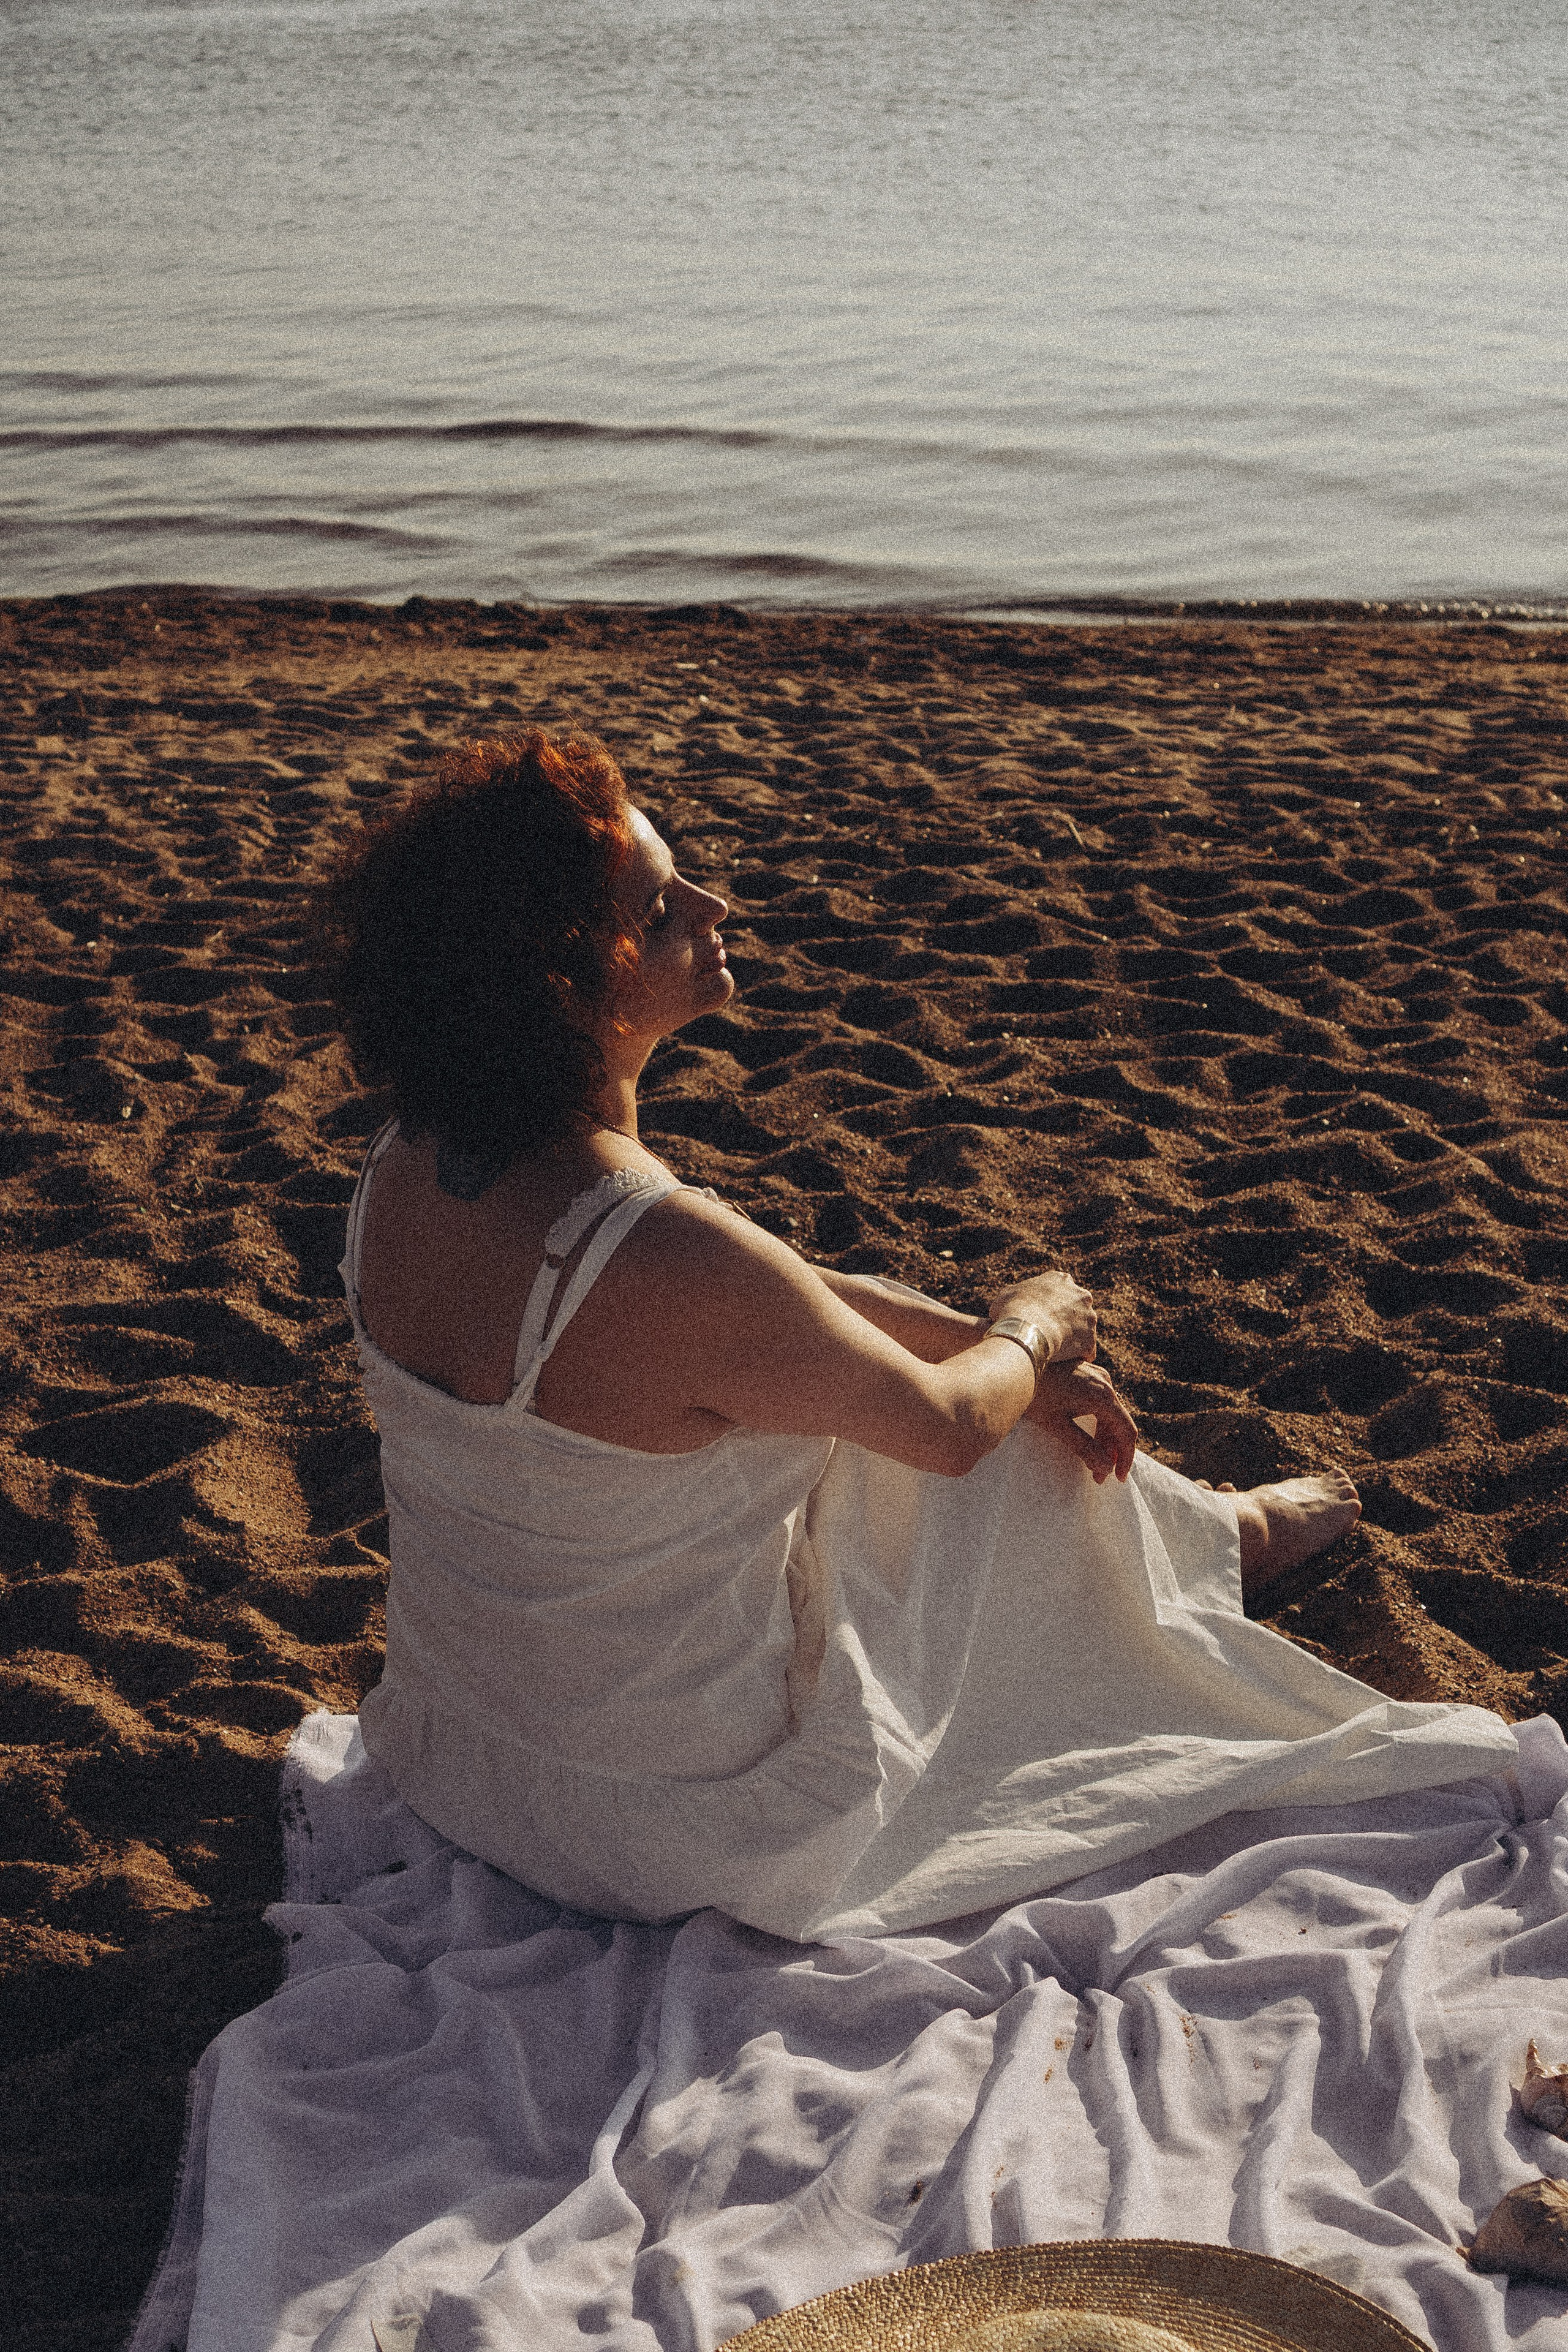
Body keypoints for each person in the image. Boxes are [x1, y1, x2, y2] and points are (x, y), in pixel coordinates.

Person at [317, 729, 1515, 1943]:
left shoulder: (405, 1166)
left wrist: (985, 1345)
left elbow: (769, 1304)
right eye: (661, 908)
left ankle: (1198, 1532)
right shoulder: (655, 1250)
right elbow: (940, 1428)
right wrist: (1035, 1330)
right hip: (677, 1827)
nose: (712, 904)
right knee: (941, 1456)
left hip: (476, 1765)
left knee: (917, 1386)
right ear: (571, 982)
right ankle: (1213, 1542)